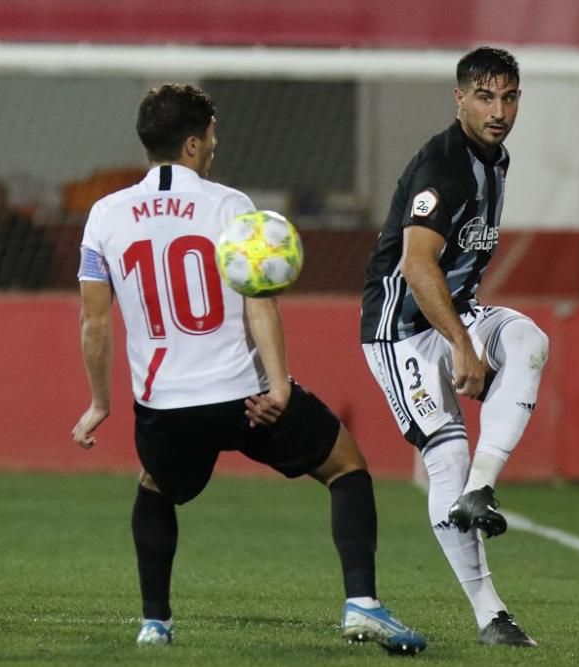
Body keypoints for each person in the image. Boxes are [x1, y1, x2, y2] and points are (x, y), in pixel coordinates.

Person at [71, 83, 426, 654]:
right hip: (244, 396)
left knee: (156, 486)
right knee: (346, 466)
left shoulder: (104, 215)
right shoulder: (230, 205)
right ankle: (362, 604)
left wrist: (99, 403)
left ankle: (154, 624)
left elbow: (94, 323)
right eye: (210, 132)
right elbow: (260, 299)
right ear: (191, 143)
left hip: (163, 406)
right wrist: (280, 386)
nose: (216, 142)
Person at [360, 47, 546, 647]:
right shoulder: (445, 164)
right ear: (459, 98)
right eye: (485, 97)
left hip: (454, 312)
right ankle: (490, 614)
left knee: (528, 338)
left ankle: (480, 490)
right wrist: (463, 345)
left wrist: (467, 333)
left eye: (509, 96)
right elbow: (417, 265)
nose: (499, 110)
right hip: (401, 330)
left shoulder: (495, 158)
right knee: (445, 454)